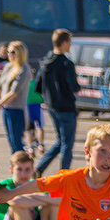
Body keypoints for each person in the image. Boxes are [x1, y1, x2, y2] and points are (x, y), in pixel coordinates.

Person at [34, 28, 79, 176]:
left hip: (52, 107)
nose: (70, 46)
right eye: (70, 43)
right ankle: (64, 174)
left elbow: (38, 86)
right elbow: (73, 87)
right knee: (67, 143)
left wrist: (47, 98)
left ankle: (40, 168)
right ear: (64, 43)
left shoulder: (46, 62)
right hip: (66, 107)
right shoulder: (67, 64)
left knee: (60, 141)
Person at [0, 41, 31, 155]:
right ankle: (16, 167)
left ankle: (22, 168)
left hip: (17, 111)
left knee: (17, 144)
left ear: (20, 53)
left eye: (13, 52)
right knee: (11, 142)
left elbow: (13, 93)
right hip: (6, 110)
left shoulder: (24, 69)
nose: (9, 54)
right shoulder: (8, 67)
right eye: (8, 52)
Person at [25, 76, 45, 158]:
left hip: (28, 106)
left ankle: (30, 147)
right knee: (39, 127)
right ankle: (40, 145)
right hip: (36, 106)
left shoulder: (25, 83)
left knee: (29, 129)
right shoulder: (37, 83)